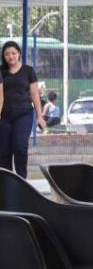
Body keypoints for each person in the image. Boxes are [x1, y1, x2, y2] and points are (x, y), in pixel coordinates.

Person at [0, 40, 45, 177]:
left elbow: (34, 94)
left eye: (13, 53)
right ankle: (6, 180)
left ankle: (21, 179)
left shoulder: (28, 71)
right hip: (4, 116)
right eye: (7, 54)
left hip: (23, 114)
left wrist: (40, 116)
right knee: (4, 150)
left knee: (20, 146)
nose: (10, 56)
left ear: (19, 53)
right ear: (3, 56)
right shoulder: (1, 71)